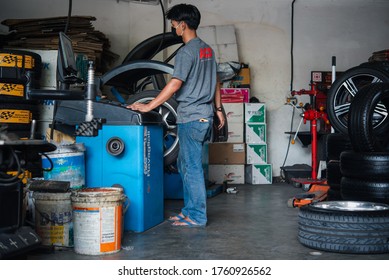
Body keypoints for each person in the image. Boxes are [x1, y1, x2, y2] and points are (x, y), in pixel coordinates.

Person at [127, 3, 225, 227]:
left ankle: (197, 216)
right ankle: (189, 210)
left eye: (173, 24)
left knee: (191, 168)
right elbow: (217, 81)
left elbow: (174, 84)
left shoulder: (187, 51)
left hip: (192, 117)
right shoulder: (207, 49)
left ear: (182, 24)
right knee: (184, 165)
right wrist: (218, 110)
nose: (173, 28)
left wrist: (148, 106)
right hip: (202, 115)